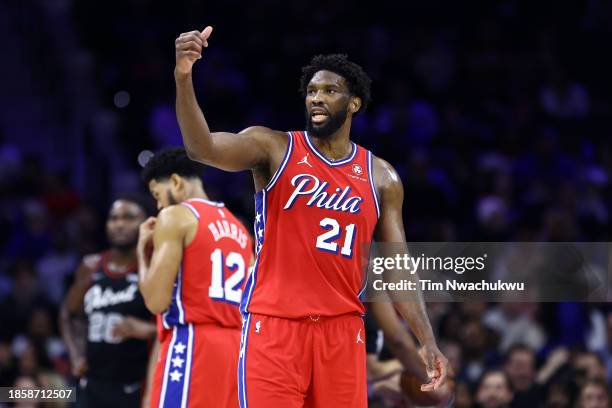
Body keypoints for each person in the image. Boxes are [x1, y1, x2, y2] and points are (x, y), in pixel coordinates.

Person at [173, 26, 448, 407]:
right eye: (312, 92)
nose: (316, 99)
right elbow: (201, 148)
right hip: (275, 326)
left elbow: (397, 267)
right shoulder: (273, 147)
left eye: (329, 91)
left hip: (343, 332)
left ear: (353, 103)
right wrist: (184, 77)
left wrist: (427, 339)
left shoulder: (382, 176)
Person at [138, 147, 252, 408]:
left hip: (193, 343)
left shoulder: (175, 216)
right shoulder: (239, 228)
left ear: (176, 182)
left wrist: (142, 252)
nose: (158, 205)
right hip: (237, 350)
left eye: (158, 194)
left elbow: (156, 302)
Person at [59, 196, 156, 408]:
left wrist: (147, 329)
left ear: (147, 222)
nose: (119, 224)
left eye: (129, 218)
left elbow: (174, 324)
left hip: (135, 387)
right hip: (91, 385)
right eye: (113, 218)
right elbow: (68, 313)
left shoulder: (154, 267)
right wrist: (76, 355)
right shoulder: (90, 266)